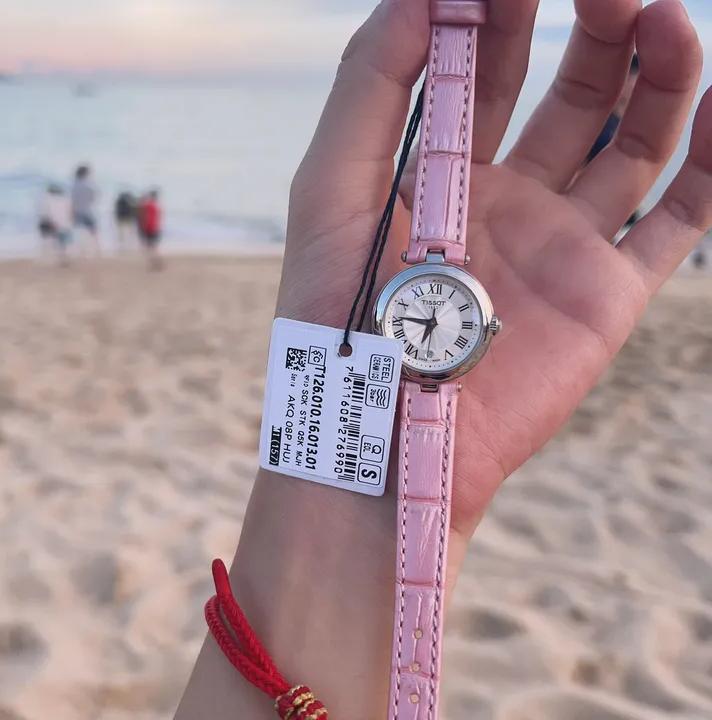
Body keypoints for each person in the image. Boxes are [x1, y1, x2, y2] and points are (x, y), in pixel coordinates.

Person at [175, 1, 711, 718]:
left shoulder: (450, 309)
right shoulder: (410, 302)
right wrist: (329, 518)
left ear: (484, 332)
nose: (429, 320)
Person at [584, 54, 642, 233]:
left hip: (621, 218)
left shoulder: (626, 126)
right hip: (593, 214)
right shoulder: (598, 125)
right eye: (637, 80)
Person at [38, 184, 73, 266]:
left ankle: (53, 257)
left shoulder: (47, 200)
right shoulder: (65, 199)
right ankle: (63, 257)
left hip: (52, 223)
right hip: (63, 224)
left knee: (51, 242)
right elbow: (69, 212)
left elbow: (45, 213)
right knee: (63, 243)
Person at [71, 164, 101, 257]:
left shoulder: (75, 185)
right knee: (93, 231)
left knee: (81, 233)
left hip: (78, 211)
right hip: (88, 210)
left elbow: (72, 200)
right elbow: (95, 196)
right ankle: (98, 249)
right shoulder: (88, 184)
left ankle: (82, 251)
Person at [137, 190, 163, 271]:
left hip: (149, 229)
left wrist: (143, 228)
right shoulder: (157, 206)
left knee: (148, 248)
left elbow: (145, 217)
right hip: (155, 229)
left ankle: (155, 263)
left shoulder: (149, 205)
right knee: (152, 248)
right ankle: (155, 263)